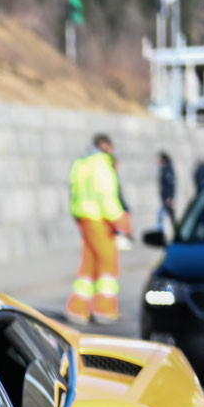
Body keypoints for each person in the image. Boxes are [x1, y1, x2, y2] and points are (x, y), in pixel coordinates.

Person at [67, 133, 131, 324]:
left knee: (90, 263)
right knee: (107, 263)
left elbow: (74, 193)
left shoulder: (81, 164)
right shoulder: (102, 165)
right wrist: (121, 220)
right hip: (99, 219)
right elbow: (107, 197)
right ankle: (104, 309)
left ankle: (78, 308)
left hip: (84, 218)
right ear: (105, 146)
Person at [156, 150, 177, 237]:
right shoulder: (164, 169)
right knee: (167, 216)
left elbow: (170, 185)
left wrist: (170, 197)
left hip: (167, 198)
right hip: (165, 198)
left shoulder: (168, 170)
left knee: (161, 216)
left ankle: (162, 235)